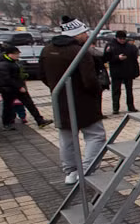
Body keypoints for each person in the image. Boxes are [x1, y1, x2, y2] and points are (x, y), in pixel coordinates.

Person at [41, 16, 106, 185]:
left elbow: (42, 75)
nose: (87, 35)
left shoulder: (47, 50)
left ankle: (70, 172)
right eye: (85, 32)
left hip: (60, 101)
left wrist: (57, 88)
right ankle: (86, 170)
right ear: (77, 34)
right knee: (95, 136)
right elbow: (89, 80)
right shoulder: (79, 51)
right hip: (84, 102)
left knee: (67, 139)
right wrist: (97, 90)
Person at [0, 44, 53, 130]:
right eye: (16, 54)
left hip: (19, 87)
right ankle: (7, 123)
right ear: (9, 54)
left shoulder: (14, 62)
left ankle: (40, 121)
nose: (18, 55)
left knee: (30, 104)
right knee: (8, 106)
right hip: (8, 89)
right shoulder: (3, 64)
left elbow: (18, 74)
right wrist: (19, 86)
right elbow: (6, 78)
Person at [103, 30, 140, 114]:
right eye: (120, 39)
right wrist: (117, 58)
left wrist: (135, 72)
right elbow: (106, 58)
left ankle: (131, 106)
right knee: (116, 91)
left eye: (124, 39)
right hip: (116, 72)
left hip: (128, 71)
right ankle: (115, 108)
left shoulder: (129, 46)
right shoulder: (111, 46)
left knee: (129, 90)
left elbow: (134, 58)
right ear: (116, 38)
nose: (122, 40)